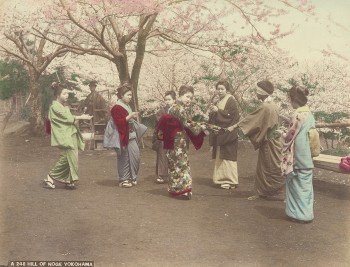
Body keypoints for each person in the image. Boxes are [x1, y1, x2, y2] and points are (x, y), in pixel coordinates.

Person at [228, 80, 284, 200]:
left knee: (270, 167)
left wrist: (234, 126)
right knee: (265, 167)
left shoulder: (266, 107)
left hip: (270, 141)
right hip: (273, 140)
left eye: (258, 91)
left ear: (263, 93)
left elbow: (251, 119)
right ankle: (263, 192)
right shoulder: (272, 105)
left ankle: (276, 192)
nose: (256, 93)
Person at [44, 82, 92, 189]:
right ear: (57, 95)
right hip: (64, 134)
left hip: (70, 134)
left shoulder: (62, 106)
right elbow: (67, 118)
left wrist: (79, 117)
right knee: (67, 157)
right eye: (64, 93)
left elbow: (69, 118)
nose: (67, 96)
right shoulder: (54, 107)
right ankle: (50, 177)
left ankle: (68, 180)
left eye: (67, 93)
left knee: (72, 157)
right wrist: (81, 117)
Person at [282, 85, 316, 223]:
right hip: (307, 153)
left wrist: (282, 134)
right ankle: (306, 214)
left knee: (295, 184)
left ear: (293, 99)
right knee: (305, 185)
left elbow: (290, 136)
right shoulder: (309, 114)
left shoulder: (297, 114)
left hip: (297, 154)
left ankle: (297, 214)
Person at [110, 84, 147, 188]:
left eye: (131, 95)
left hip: (131, 133)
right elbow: (118, 122)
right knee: (124, 157)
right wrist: (129, 116)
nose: (130, 97)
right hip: (122, 134)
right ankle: (123, 179)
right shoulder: (116, 107)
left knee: (136, 156)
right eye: (128, 95)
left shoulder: (127, 106)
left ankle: (132, 176)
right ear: (121, 95)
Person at [208, 80, 240, 189]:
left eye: (222, 89)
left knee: (228, 157)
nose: (220, 91)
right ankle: (221, 179)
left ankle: (230, 180)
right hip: (221, 133)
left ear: (227, 90)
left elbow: (231, 116)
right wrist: (213, 112)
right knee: (221, 156)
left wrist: (218, 111)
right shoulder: (219, 101)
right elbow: (217, 116)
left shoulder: (231, 100)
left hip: (228, 132)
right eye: (218, 89)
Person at [152, 90, 176, 184]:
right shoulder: (161, 111)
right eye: (166, 99)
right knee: (162, 154)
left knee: (173, 155)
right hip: (163, 135)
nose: (167, 101)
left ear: (174, 100)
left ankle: (172, 174)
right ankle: (161, 175)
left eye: (169, 99)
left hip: (174, 135)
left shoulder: (177, 110)